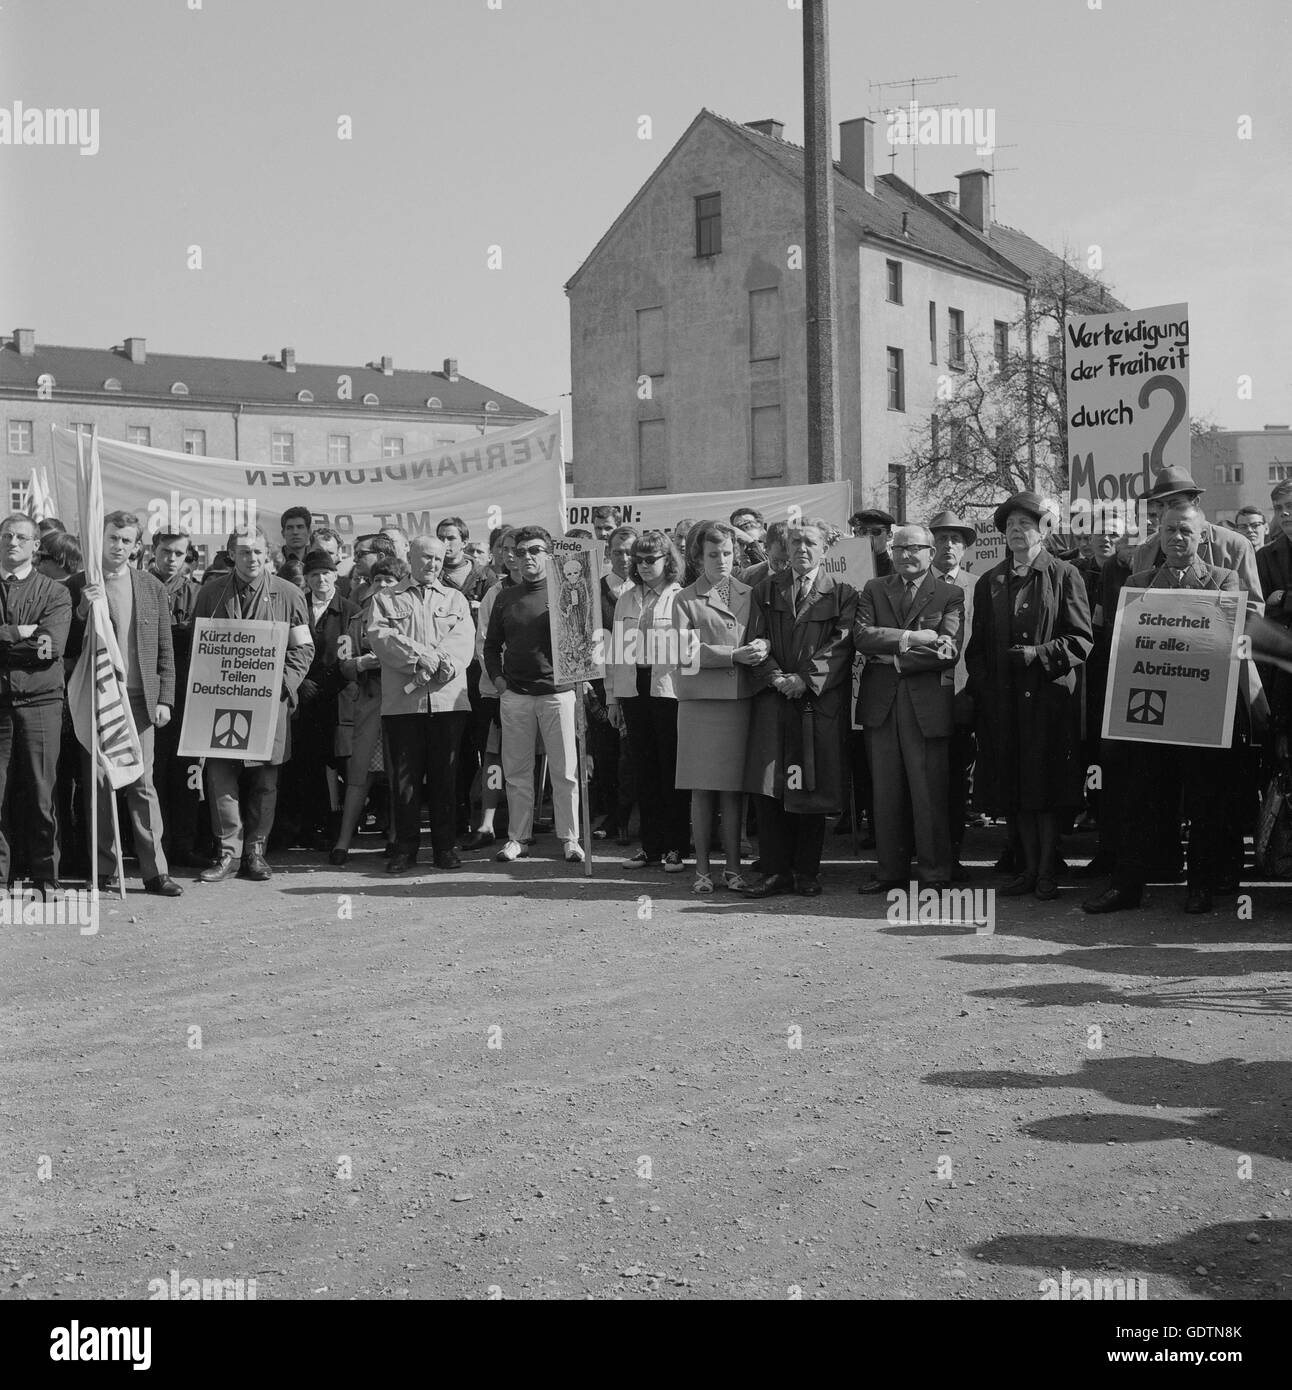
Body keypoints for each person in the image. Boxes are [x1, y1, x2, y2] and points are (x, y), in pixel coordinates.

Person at [1084, 503, 1252, 914]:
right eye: (1170, 530)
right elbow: (1126, 645)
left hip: (1200, 711)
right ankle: (1126, 887)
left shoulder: (1223, 580)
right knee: (1139, 800)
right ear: (1159, 534)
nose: (1177, 538)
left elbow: (1224, 643)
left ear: (1202, 536)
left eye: (1185, 531)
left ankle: (1200, 886)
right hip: (1151, 713)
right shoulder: (1138, 583)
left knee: (1204, 801)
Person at [965, 492, 1092, 901]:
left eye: (1025, 524)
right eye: (1010, 526)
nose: (1016, 531)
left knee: (1046, 787)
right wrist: (986, 689)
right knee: (1015, 785)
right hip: (1004, 705)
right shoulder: (989, 581)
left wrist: (1039, 654)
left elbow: (1081, 640)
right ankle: (1025, 869)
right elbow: (977, 649)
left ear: (1044, 531)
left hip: (1048, 702)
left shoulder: (1064, 574)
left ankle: (1047, 871)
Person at [65, 511, 181, 897]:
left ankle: (155, 871)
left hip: (139, 697)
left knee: (142, 783)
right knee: (99, 784)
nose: (118, 546)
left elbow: (164, 647)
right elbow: (66, 645)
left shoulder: (150, 586)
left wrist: (164, 699)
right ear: (99, 538)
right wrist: (82, 610)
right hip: (97, 696)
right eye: (113, 538)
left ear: (136, 547)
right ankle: (103, 869)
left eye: (126, 540)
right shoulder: (78, 585)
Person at [192, 527, 314, 883]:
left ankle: (255, 851)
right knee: (220, 777)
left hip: (269, 704)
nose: (252, 558)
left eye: (258, 551)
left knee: (265, 780)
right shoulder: (211, 593)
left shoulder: (289, 594)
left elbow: (303, 648)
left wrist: (281, 686)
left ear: (268, 554)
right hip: (219, 703)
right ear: (231, 554)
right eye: (244, 551)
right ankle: (227, 853)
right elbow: (199, 646)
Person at [743, 523, 858, 897]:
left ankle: (807, 872)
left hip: (816, 704)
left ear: (824, 549)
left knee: (811, 785)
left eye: (810, 542)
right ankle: (775, 871)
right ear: (786, 547)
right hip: (774, 700)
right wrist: (776, 676)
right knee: (771, 787)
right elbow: (755, 639)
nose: (802, 548)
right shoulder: (765, 590)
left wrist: (805, 680)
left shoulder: (841, 594)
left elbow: (841, 645)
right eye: (796, 542)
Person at [854, 524, 964, 892]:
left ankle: (935, 874)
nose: (904, 554)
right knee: (885, 794)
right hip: (881, 706)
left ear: (931, 553)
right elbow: (862, 636)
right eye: (898, 548)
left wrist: (896, 659)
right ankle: (890, 873)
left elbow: (948, 649)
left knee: (928, 792)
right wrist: (911, 637)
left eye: (913, 547)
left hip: (926, 707)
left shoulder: (949, 594)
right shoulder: (874, 588)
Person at [367, 536, 475, 874]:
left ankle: (445, 848)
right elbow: (381, 637)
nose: (433, 564)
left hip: (447, 703)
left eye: (438, 559)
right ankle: (405, 849)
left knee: (446, 778)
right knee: (405, 781)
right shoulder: (385, 599)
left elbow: (463, 641)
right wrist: (419, 658)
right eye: (426, 557)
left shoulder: (456, 599)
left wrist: (442, 663)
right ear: (411, 558)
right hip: (403, 705)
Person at [482, 525, 584, 864]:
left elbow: (583, 637)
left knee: (565, 771)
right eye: (521, 551)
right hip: (516, 695)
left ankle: (570, 838)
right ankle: (518, 838)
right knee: (516, 772)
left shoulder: (567, 590)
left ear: (549, 554)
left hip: (559, 693)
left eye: (535, 550)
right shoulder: (505, 596)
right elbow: (491, 646)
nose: (527, 557)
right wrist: (499, 681)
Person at [673, 521, 765, 892]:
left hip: (738, 701)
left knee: (733, 789)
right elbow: (683, 652)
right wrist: (733, 655)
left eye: (727, 553)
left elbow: (762, 634)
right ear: (698, 558)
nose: (722, 560)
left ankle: (732, 869)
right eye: (713, 554)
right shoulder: (684, 598)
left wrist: (763, 647)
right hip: (700, 702)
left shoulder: (749, 593)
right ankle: (701, 871)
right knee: (701, 789)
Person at [606, 530, 688, 872]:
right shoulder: (626, 597)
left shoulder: (680, 596)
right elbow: (615, 649)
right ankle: (650, 846)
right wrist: (612, 697)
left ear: (667, 561)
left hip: (669, 689)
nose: (642, 565)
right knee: (643, 769)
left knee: (671, 769)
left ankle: (675, 846)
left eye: (650, 559)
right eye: (638, 560)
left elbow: (689, 651)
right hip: (633, 687)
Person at [0, 513, 72, 892]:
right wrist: (18, 632)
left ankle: (45, 876)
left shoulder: (54, 592)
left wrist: (8, 641)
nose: (13, 543)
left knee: (43, 792)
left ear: (35, 545)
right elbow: (33, 642)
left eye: (21, 538)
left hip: (41, 702)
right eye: (7, 536)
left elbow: (49, 647)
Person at [330, 554, 407, 864]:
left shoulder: (409, 617)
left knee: (400, 774)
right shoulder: (356, 619)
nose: (383, 585)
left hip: (401, 704)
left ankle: (396, 838)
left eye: (390, 580)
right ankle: (343, 842)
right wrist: (361, 663)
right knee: (358, 776)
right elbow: (343, 664)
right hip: (367, 707)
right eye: (378, 580)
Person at [280, 549, 356, 849]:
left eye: (325, 573)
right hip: (301, 698)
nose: (320, 579)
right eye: (313, 574)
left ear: (335, 575)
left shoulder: (349, 610)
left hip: (338, 699)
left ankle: (334, 828)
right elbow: (288, 648)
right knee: (302, 764)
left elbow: (349, 658)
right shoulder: (297, 605)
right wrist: (300, 684)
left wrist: (322, 686)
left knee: (337, 764)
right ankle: (301, 827)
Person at [1128, 467, 1262, 614]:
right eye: (1160, 505)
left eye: (1174, 504)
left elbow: (1251, 609)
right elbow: (1134, 611)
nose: (1166, 511)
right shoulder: (1144, 550)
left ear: (1196, 502)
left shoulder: (1234, 546)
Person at [460, 529, 519, 852]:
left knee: (528, 759)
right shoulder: (494, 593)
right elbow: (484, 644)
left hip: (537, 689)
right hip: (499, 690)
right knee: (494, 758)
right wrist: (500, 681)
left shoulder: (547, 588)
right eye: (505, 549)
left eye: (516, 549)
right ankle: (487, 821)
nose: (511, 555)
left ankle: (523, 821)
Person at [148, 530, 203, 868]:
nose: (171, 559)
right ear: (153, 551)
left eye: (179, 553)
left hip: (187, 696)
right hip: (149, 693)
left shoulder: (198, 593)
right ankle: (154, 846)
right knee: (152, 774)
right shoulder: (139, 586)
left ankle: (184, 844)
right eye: (165, 551)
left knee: (187, 774)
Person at [928, 510, 979, 878]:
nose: (948, 545)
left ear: (965, 548)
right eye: (942, 538)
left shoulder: (979, 586)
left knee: (956, 781)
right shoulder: (916, 583)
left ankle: (951, 857)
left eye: (956, 539)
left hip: (963, 695)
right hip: (922, 695)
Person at [437, 516, 493, 836]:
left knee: (488, 748)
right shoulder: (434, 576)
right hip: (448, 674)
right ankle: (457, 819)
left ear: (464, 541)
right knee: (454, 751)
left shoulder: (485, 576)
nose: (445, 544)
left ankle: (489, 820)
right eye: (441, 538)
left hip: (481, 673)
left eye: (451, 538)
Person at [850, 508, 896, 577]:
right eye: (863, 531)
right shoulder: (848, 569)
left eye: (875, 532)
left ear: (889, 535)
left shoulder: (899, 572)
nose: (868, 536)